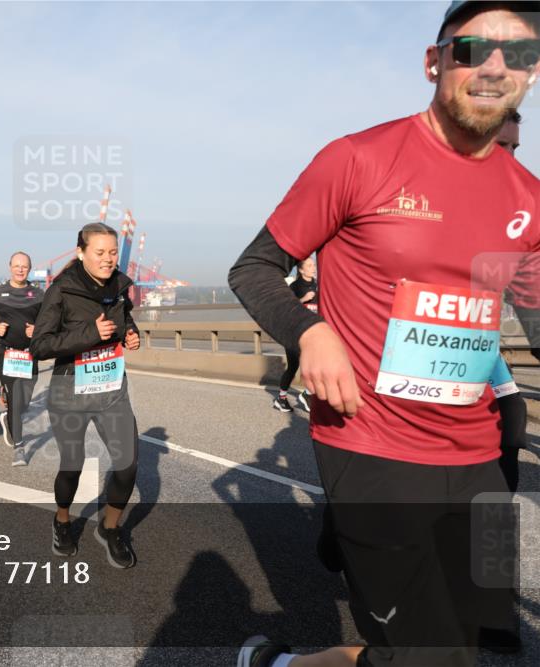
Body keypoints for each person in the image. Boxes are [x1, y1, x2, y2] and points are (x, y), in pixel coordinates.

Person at [230, 3, 540, 666]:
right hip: (371, 445)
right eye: (472, 48)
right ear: (433, 62)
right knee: (434, 657)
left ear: (533, 72)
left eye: (517, 53)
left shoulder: (528, 197)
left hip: (477, 457)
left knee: (459, 646)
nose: (495, 67)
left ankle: (281, 664)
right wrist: (310, 332)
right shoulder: (356, 159)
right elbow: (254, 268)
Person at [31, 223, 142, 569]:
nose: (108, 259)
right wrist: (89, 333)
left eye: (113, 252)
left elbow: (124, 318)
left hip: (111, 388)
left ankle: (110, 528)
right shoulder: (61, 290)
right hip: (70, 390)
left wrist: (131, 333)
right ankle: (62, 520)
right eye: (100, 252)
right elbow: (40, 345)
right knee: (72, 466)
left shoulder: (119, 285)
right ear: (81, 253)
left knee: (128, 465)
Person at [0, 252, 45, 466]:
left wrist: (38, 329)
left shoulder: (38, 294)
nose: (20, 269)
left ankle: (9, 418)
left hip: (29, 353)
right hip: (6, 353)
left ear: (30, 269)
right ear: (10, 267)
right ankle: (19, 447)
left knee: (23, 401)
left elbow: (49, 320)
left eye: (24, 266)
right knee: (15, 398)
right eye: (16, 266)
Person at [273, 257, 318, 413]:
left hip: (311, 332)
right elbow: (286, 309)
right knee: (297, 366)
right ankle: (302, 395)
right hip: (294, 332)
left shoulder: (317, 285)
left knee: (304, 364)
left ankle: (285, 398)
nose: (313, 268)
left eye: (314, 265)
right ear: (301, 269)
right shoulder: (295, 286)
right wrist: (303, 299)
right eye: (310, 265)